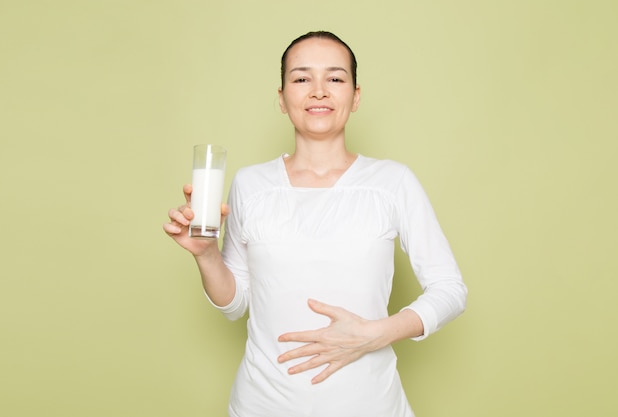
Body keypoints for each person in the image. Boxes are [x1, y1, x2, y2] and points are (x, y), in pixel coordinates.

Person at [164, 31, 467, 417]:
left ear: (355, 96)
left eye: (336, 78)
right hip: (262, 406)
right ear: (281, 97)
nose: (319, 91)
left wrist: (375, 334)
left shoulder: (392, 182)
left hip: (370, 406)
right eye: (302, 78)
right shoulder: (250, 184)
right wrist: (206, 255)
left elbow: (450, 290)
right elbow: (235, 304)